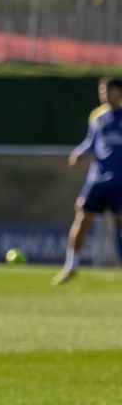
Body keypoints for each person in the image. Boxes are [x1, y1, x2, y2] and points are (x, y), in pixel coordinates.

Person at [55, 76, 122, 285]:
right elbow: (91, 142)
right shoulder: (97, 116)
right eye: (102, 91)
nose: (104, 94)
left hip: (120, 180)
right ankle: (71, 266)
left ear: (119, 92)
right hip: (98, 178)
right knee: (82, 218)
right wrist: (79, 152)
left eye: (108, 90)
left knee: (120, 225)